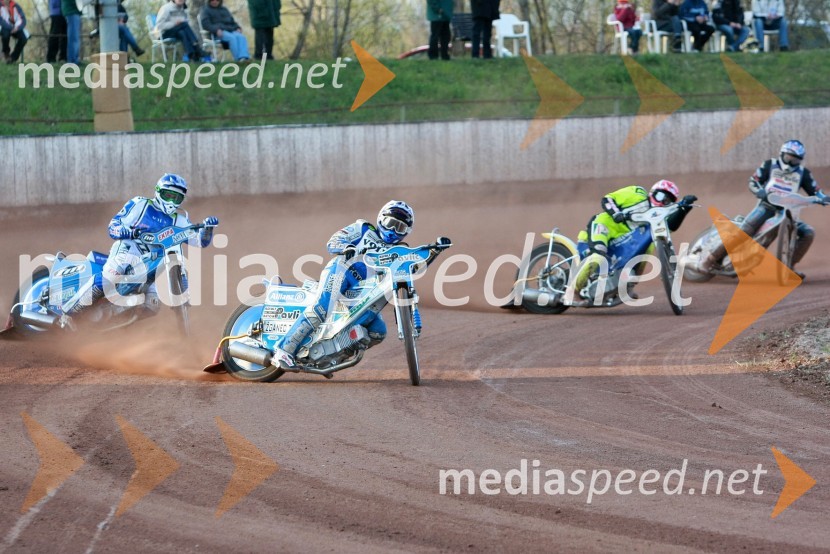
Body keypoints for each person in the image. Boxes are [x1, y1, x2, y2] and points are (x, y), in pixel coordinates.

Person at [272, 201, 416, 368]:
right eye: (390, 223)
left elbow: (409, 268)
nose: (392, 230)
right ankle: (284, 350)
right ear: (381, 219)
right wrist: (346, 246)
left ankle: (330, 356)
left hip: (363, 291)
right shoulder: (363, 229)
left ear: (406, 232)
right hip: (342, 271)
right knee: (322, 309)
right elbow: (333, 241)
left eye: (399, 228)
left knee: (378, 331)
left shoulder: (399, 251)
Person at [68, 174, 219, 317]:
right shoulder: (140, 204)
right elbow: (114, 225)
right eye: (168, 195)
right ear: (158, 191)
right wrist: (126, 232)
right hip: (129, 250)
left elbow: (199, 241)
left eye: (176, 198)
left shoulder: (180, 220)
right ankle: (68, 313)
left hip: (152, 263)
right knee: (109, 278)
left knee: (152, 305)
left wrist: (208, 229)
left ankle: (113, 326)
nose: (171, 202)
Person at [699, 140, 827, 278]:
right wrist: (759, 191)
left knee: (808, 232)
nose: (790, 162)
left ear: (800, 160)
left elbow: (816, 191)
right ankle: (709, 259)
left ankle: (788, 267)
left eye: (795, 160)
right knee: (745, 231)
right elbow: (754, 181)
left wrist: (823, 198)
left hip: (789, 211)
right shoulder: (770, 164)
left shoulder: (804, 173)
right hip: (767, 206)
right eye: (788, 158)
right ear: (782, 154)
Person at [574, 181, 696, 300]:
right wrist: (616, 214)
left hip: (623, 241)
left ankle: (627, 284)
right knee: (598, 257)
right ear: (653, 193)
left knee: (648, 246)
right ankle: (573, 290)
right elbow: (608, 198)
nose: (661, 202)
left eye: (667, 201)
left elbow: (670, 226)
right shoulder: (637, 193)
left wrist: (684, 209)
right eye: (660, 196)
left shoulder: (661, 215)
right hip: (605, 227)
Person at [0, 0, 27, 65]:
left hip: (15, 27)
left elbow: (22, 19)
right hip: (3, 27)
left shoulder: (16, 6)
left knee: (24, 38)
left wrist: (17, 28)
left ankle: (13, 58)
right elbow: (1, 21)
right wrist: (11, 28)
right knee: (6, 35)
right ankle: (6, 53)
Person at [61, 0, 81, 64]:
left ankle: (75, 58)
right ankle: (72, 60)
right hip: (71, 11)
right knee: (73, 37)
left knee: (75, 37)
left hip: (73, 10)